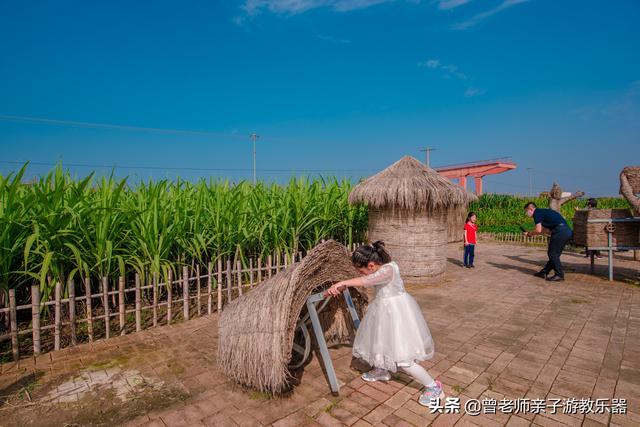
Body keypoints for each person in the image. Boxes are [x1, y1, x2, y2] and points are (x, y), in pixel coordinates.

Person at [326, 241, 443, 407]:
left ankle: (433, 386)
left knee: (403, 359)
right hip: (383, 311)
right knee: (379, 342)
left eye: (361, 269)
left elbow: (366, 280)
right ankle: (382, 370)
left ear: (371, 265)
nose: (361, 273)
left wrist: (341, 283)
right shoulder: (380, 269)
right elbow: (367, 278)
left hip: (397, 315)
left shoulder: (389, 269)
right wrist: (345, 284)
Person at [522, 202, 573, 282]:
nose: (526, 213)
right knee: (554, 254)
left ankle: (559, 275)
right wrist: (531, 234)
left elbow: (538, 230)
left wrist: (529, 234)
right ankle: (544, 272)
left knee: (552, 254)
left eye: (526, 211)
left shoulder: (537, 213)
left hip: (560, 231)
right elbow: (543, 230)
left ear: (530, 209)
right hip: (565, 231)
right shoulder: (542, 212)